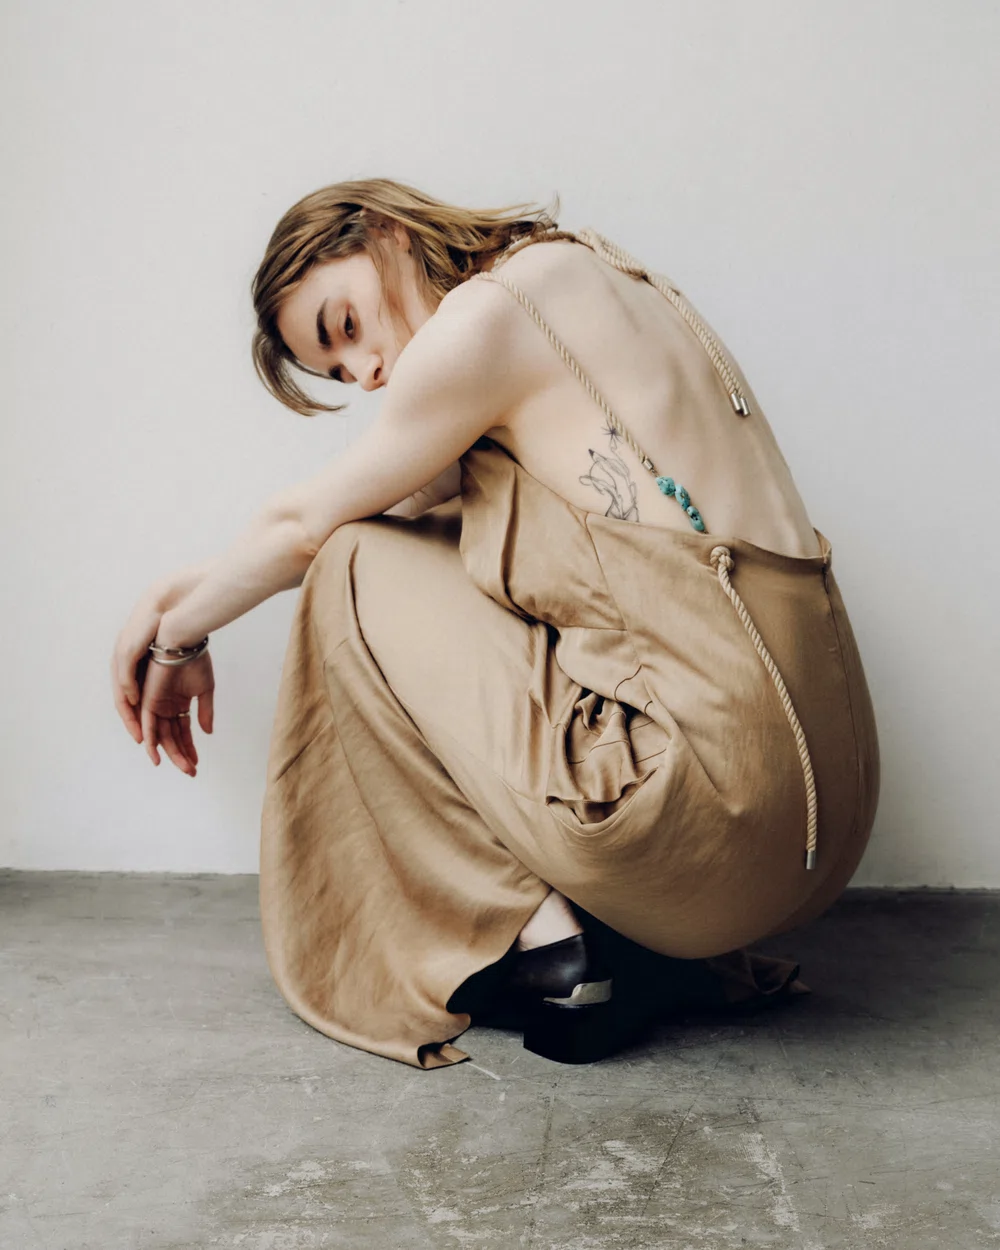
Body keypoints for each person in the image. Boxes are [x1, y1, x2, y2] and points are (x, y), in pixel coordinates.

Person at [110, 178, 880, 1069]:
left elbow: (311, 531)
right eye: (341, 373)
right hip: (831, 816)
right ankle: (611, 937)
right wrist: (180, 589)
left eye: (345, 325)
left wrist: (181, 635)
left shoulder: (481, 325)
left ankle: (549, 945)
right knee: (410, 541)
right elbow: (386, 506)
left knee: (351, 564)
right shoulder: (585, 271)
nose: (367, 372)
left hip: (718, 817)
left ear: (385, 231)